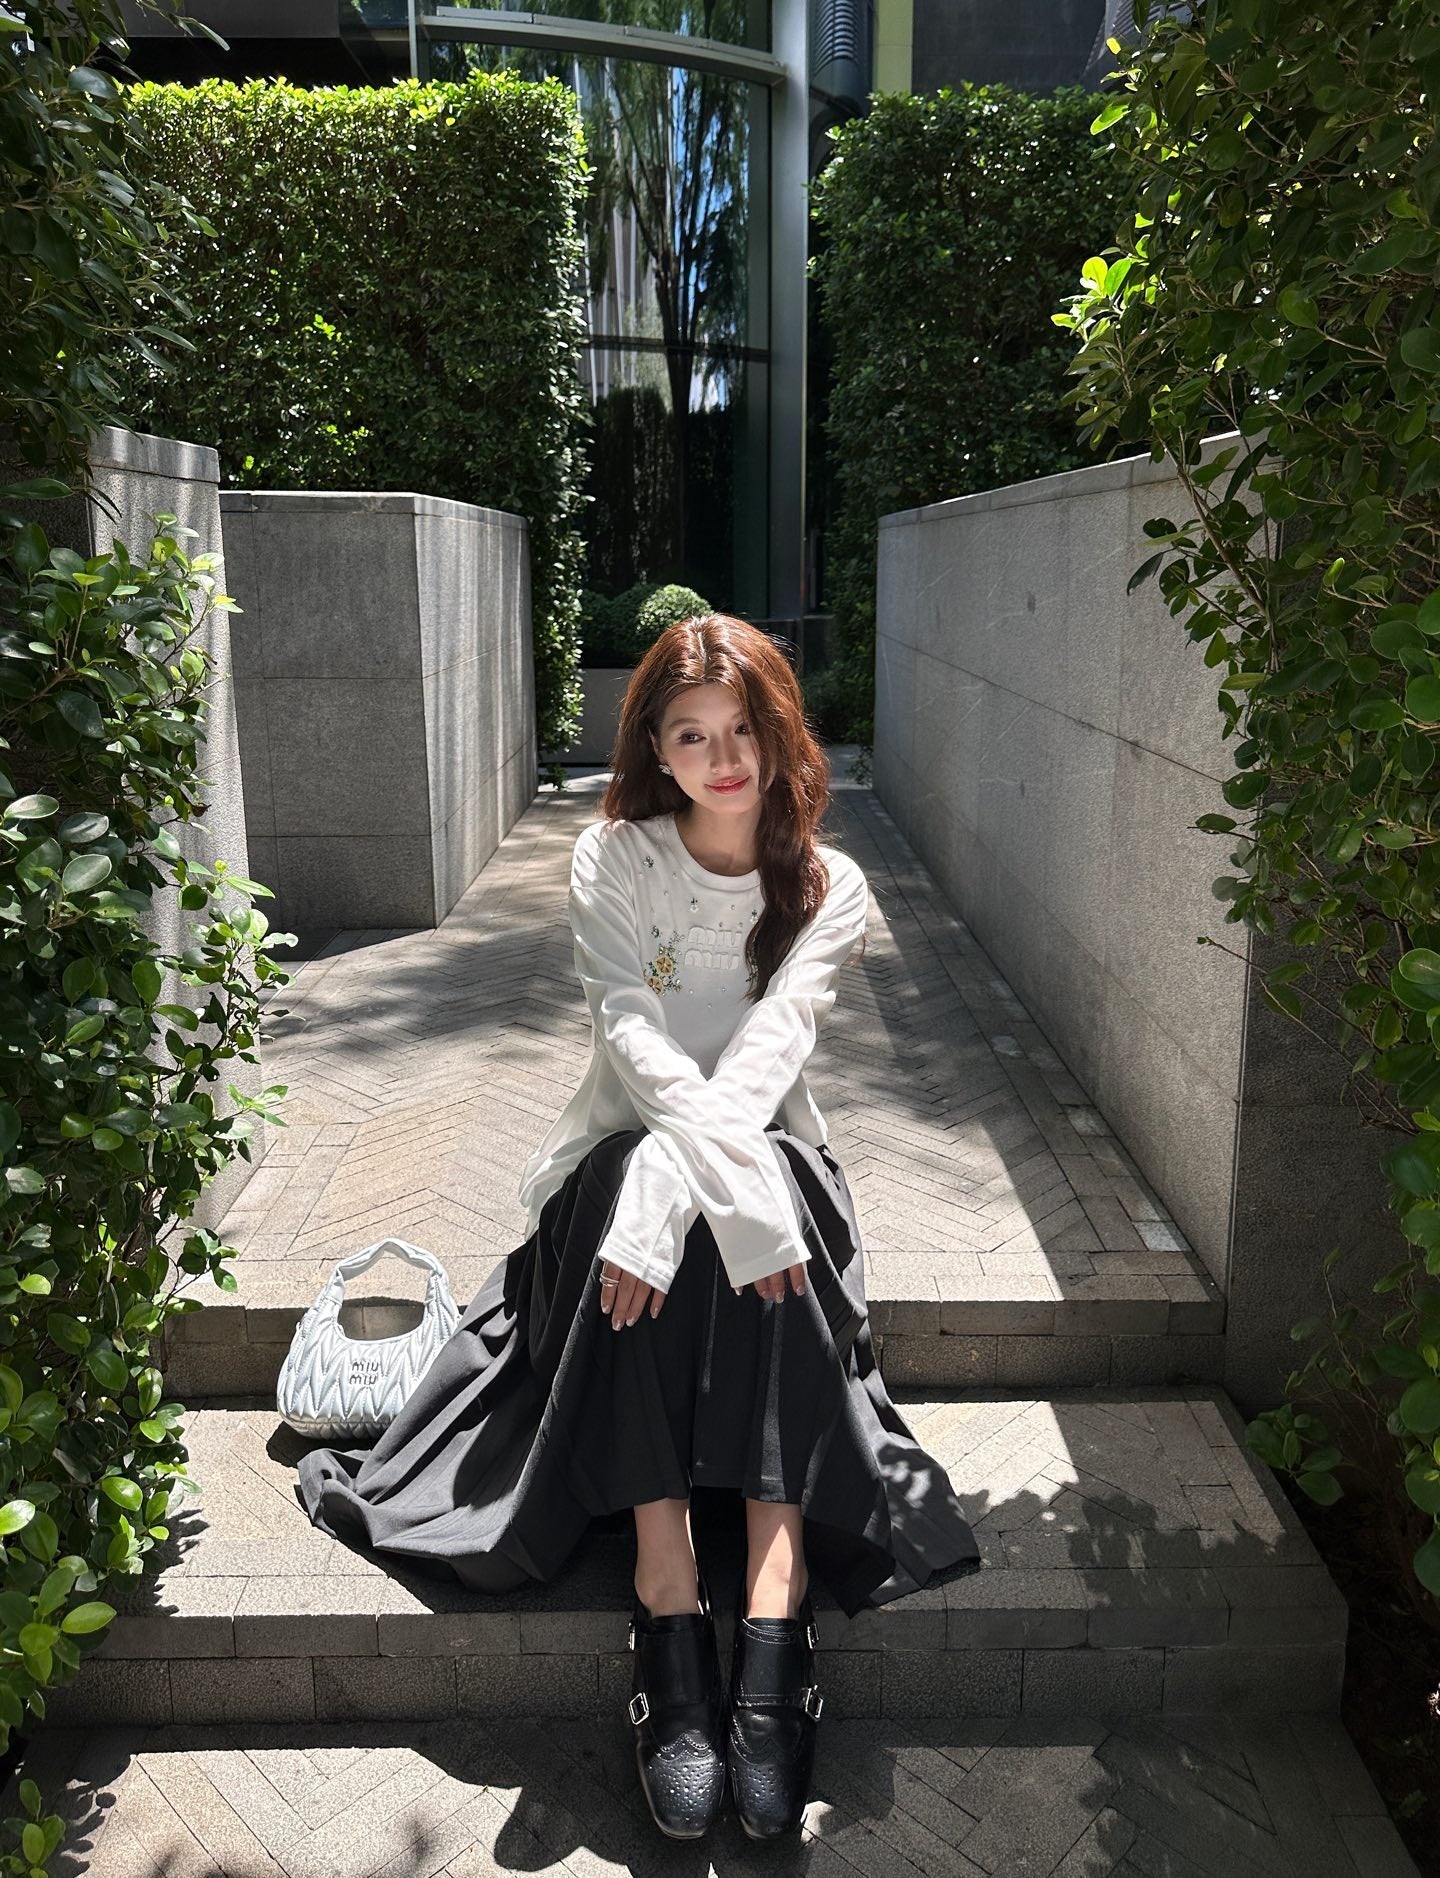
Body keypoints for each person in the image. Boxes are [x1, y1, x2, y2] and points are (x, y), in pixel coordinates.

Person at [294, 614, 982, 1843]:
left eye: (744, 731)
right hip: (613, 1160)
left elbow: (772, 1053)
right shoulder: (613, 858)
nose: (725, 760)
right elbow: (630, 1031)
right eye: (692, 736)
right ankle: (666, 1587)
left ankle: (775, 1595)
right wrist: (657, 1186)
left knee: (759, 1196)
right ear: (655, 750)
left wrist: (681, 1187)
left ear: (780, 733)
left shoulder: (829, 885)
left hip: (769, 1152)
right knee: (647, 1195)